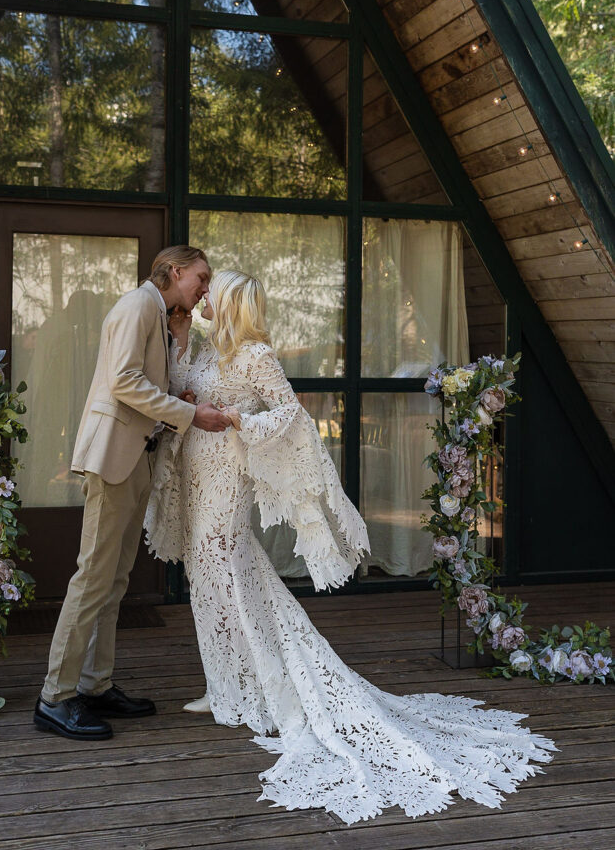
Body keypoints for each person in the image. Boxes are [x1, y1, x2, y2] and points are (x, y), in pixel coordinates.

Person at [144, 269, 556, 824]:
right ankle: (225, 686)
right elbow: (180, 393)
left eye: (214, 293)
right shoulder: (197, 347)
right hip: (195, 475)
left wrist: (242, 419)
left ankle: (261, 684)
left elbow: (289, 412)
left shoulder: (256, 355)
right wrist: (183, 377)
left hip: (228, 481)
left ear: (234, 303)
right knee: (209, 580)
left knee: (229, 571)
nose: (205, 298)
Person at [34, 246, 231, 740]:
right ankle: (55, 697)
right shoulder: (138, 305)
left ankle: (95, 686)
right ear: (176, 270)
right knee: (92, 578)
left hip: (136, 456)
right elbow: (123, 381)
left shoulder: (159, 314)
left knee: (115, 580)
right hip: (114, 459)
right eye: (201, 278)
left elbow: (144, 385)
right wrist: (188, 414)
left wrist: (175, 400)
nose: (205, 288)